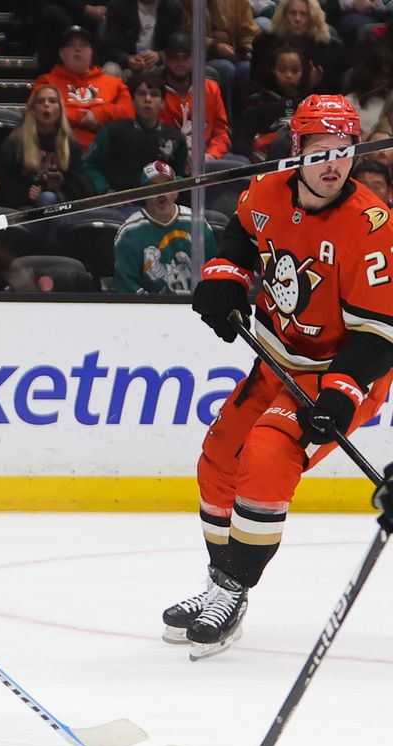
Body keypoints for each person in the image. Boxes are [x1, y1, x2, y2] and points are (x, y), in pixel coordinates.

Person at [163, 95, 393, 659]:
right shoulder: (266, 191)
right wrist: (225, 278)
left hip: (340, 374)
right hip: (277, 362)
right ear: (298, 152)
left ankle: (234, 587)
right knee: (219, 457)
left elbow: (379, 333)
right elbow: (243, 238)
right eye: (321, 152)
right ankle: (223, 585)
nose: (334, 164)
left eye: (344, 151)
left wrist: (341, 395)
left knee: (267, 453)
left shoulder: (373, 226)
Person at [113, 160, 216, 293]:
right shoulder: (128, 233)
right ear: (143, 194)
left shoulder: (197, 223)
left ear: (176, 192)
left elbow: (213, 272)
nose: (161, 193)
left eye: (166, 186)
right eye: (154, 188)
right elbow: (128, 287)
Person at [0, 83, 91, 209]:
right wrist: (25, 193)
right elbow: (2, 179)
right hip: (22, 206)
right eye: (40, 101)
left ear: (60, 109)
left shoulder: (70, 144)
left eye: (52, 101)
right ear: (33, 110)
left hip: (60, 205)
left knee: (48, 198)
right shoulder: (16, 140)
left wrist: (62, 184)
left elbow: (83, 190)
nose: (46, 104)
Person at [82, 71, 188, 193]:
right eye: (141, 94)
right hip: (120, 206)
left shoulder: (176, 137)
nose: (147, 99)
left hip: (163, 204)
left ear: (163, 103)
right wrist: (106, 191)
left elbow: (182, 175)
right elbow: (88, 166)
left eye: (154, 94)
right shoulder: (112, 132)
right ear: (132, 101)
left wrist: (172, 185)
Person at [33, 25, 136, 150]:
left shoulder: (114, 83)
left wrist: (98, 114)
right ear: (61, 53)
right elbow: (41, 111)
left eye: (84, 45)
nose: (77, 49)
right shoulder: (47, 82)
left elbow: (128, 112)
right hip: (60, 150)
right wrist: (85, 118)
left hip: (106, 152)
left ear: (91, 51)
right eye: (70, 45)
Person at [159, 32, 236, 163]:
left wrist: (212, 155)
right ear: (165, 58)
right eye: (174, 56)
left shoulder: (211, 89)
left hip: (208, 156)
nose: (180, 61)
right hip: (171, 160)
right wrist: (183, 156)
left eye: (186, 56)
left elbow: (221, 133)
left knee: (242, 164)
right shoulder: (155, 93)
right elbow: (157, 136)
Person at [232, 42, 311, 161]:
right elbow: (241, 141)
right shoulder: (256, 101)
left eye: (295, 70)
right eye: (282, 70)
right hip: (263, 161)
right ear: (273, 69)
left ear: (303, 71)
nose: (288, 75)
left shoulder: (310, 102)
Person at [100, 0, 185, 76]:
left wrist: (159, 56)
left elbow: (178, 44)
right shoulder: (118, 5)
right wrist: (127, 59)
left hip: (159, 65)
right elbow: (110, 46)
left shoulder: (173, 7)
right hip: (125, 64)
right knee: (110, 70)